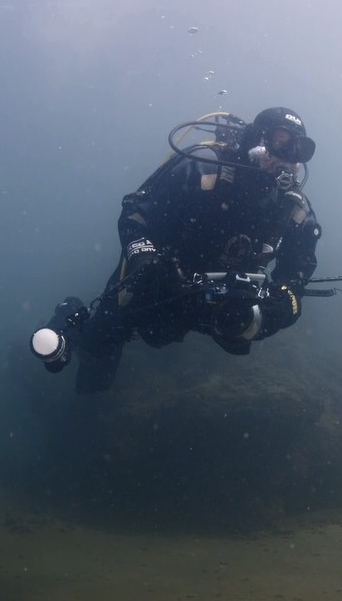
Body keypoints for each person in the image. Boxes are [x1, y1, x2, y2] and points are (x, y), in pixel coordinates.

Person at [30, 107, 323, 393]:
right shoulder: (202, 166)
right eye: (281, 142)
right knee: (99, 350)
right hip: (155, 281)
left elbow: (298, 269)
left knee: (190, 335)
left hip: (214, 301)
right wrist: (145, 259)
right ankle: (69, 318)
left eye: (299, 149)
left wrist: (281, 307)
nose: (289, 158)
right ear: (258, 138)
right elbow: (136, 214)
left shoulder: (291, 207)